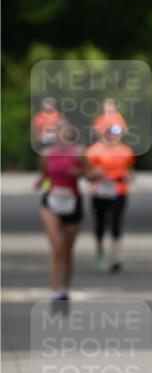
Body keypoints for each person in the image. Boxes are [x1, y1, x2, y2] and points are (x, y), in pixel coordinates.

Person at [37, 121, 88, 301]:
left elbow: (89, 174)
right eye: (60, 131)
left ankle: (65, 287)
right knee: (57, 246)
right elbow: (43, 176)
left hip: (72, 202)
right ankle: (55, 289)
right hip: (50, 202)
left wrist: (79, 173)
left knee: (67, 249)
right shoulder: (46, 154)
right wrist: (39, 183)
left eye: (67, 131)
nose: (64, 135)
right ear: (55, 134)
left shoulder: (79, 152)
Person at [87, 122, 136, 271]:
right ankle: (100, 251)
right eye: (111, 132)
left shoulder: (126, 151)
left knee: (116, 223)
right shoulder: (94, 151)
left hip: (118, 190)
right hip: (100, 190)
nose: (114, 136)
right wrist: (94, 174)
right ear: (104, 133)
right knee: (100, 224)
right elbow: (88, 174)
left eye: (117, 133)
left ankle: (116, 256)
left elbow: (130, 171)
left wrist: (129, 177)